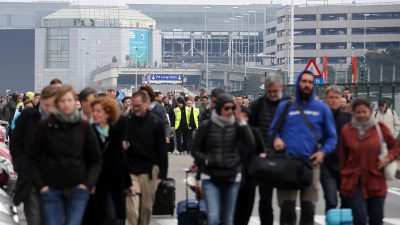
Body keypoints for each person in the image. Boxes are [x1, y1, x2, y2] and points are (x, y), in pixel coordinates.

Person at [270, 70, 337, 225]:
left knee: (308, 210)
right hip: (288, 163)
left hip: (311, 164)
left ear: (313, 86)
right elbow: (273, 130)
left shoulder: (322, 109)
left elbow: (332, 137)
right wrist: (277, 139)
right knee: (287, 211)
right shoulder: (285, 107)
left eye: (310, 82)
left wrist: (322, 152)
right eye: (304, 81)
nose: (307, 85)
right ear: (298, 83)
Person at [29, 85, 102, 225]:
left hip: (78, 189)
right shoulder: (45, 126)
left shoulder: (83, 126)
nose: (66, 104)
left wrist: (87, 184)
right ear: (57, 103)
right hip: (51, 189)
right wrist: (41, 185)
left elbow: (95, 158)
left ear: (75, 101)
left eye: (69, 100)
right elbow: (33, 158)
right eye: (62, 101)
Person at [192, 93, 255, 225]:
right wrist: (207, 160)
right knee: (214, 218)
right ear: (219, 108)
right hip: (210, 177)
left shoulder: (237, 125)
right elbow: (195, 150)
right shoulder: (206, 126)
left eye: (232, 108)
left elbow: (250, 144)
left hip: (232, 176)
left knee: (228, 219)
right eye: (227, 108)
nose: (230, 112)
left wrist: (242, 122)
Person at [340, 98, 399, 225]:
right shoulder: (347, 130)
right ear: (353, 113)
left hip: (376, 181)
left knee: (376, 220)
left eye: (364, 112)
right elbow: (343, 158)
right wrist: (344, 180)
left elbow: (395, 146)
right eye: (358, 112)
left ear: (370, 111)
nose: (361, 115)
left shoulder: (379, 128)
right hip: (355, 182)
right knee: (359, 218)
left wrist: (388, 158)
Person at [10, 86, 57, 225]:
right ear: (40, 101)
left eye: (52, 104)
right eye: (46, 104)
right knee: (35, 219)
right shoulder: (28, 116)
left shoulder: (61, 120)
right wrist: (21, 165)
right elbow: (15, 142)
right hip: (30, 175)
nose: (49, 108)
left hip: (54, 176)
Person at [83, 97, 132, 225]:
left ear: (108, 113)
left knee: (112, 216)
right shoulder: (88, 132)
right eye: (94, 111)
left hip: (114, 181)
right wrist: (88, 182)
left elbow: (121, 158)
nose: (95, 114)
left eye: (99, 111)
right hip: (95, 182)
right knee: (95, 217)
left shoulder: (116, 132)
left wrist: (128, 183)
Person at [123, 91, 168, 225]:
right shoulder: (127, 122)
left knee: (146, 208)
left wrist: (162, 175)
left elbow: (162, 151)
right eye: (133, 105)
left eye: (138, 105)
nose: (135, 108)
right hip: (131, 170)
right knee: (132, 210)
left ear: (147, 103)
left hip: (150, 170)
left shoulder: (156, 123)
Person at [249, 72, 287, 225]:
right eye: (269, 91)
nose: (272, 94)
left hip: (285, 157)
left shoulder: (289, 104)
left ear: (281, 88)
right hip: (264, 158)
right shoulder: (257, 105)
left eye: (275, 91)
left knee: (286, 201)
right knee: (265, 199)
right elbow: (251, 129)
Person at [320, 85, 352, 212]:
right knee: (331, 200)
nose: (333, 100)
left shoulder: (348, 119)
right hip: (327, 166)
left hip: (346, 166)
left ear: (341, 99)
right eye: (331, 97)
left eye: (336, 97)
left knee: (347, 201)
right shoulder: (320, 118)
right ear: (326, 99)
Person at [234, 106, 264, 225]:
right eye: (240, 116)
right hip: (234, 174)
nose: (243, 119)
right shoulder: (231, 131)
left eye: (245, 116)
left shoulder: (255, 132)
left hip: (250, 176)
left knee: (246, 209)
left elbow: (262, 152)